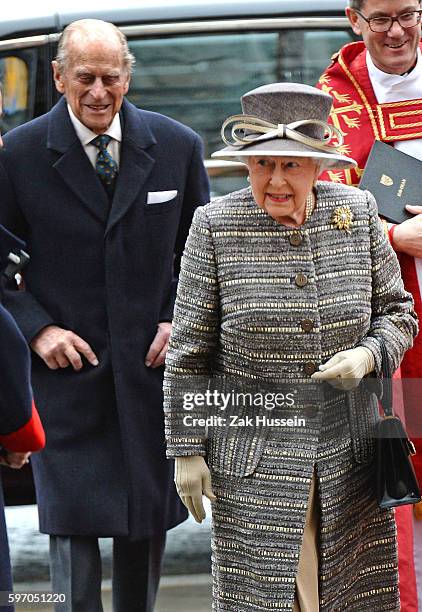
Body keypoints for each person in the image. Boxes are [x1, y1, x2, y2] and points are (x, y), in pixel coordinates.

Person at [163, 82, 418, 610]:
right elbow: (190, 350)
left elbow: (398, 314)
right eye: (262, 165)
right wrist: (186, 450)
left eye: (291, 166)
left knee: (351, 595)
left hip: (351, 454)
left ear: (321, 166)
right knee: (274, 597)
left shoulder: (359, 212)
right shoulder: (214, 225)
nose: (275, 180)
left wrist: (368, 355)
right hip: (254, 460)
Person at [0, 18, 210, 612]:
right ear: (59, 76)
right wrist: (37, 328)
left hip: (148, 370)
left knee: (144, 522)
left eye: (111, 78)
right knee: (71, 530)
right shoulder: (18, 154)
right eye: (85, 78)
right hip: (66, 373)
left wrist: (180, 318)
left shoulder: (175, 145)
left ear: (127, 77)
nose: (98, 93)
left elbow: (199, 254)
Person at [317, 1, 422, 607]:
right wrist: (392, 238)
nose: (397, 31)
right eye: (380, 17)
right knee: (389, 486)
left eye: (408, 13)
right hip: (382, 318)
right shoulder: (330, 106)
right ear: (354, 19)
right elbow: (311, 215)